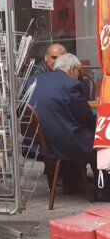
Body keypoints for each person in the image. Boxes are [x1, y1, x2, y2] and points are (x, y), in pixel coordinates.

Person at [29, 52, 96, 196]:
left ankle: (72, 182)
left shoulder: (33, 81)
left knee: (70, 129)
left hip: (38, 144)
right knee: (97, 139)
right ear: (72, 69)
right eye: (78, 71)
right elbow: (86, 117)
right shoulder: (71, 84)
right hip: (63, 143)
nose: (79, 75)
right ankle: (103, 187)